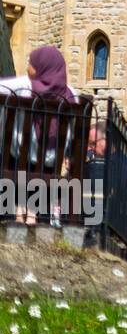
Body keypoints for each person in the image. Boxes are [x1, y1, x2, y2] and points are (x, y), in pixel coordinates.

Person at [0, 46, 79, 224]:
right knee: (43, 164)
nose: (28, 67)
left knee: (15, 149)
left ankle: (19, 211)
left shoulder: (25, 85)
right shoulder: (71, 94)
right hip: (51, 164)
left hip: (18, 159)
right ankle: (33, 213)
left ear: (41, 67)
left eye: (31, 63)